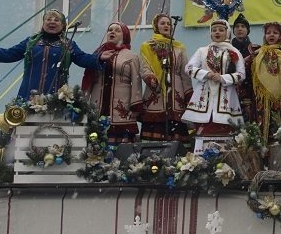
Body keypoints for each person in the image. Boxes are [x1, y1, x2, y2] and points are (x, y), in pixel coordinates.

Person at [0, 9, 112, 99]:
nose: (52, 22)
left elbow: (82, 58)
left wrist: (99, 58)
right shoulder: (31, 42)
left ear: (63, 26)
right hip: (28, 95)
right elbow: (9, 54)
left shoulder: (68, 44)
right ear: (43, 23)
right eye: (48, 19)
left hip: (56, 97)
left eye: (56, 20)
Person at [182, 19, 245, 142]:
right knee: (203, 128)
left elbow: (241, 74)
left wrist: (223, 78)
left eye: (221, 30)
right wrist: (206, 74)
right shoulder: (202, 51)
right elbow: (188, 68)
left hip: (226, 95)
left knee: (225, 129)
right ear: (210, 33)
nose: (217, 32)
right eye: (214, 30)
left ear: (227, 33)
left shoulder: (234, 51)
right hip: (204, 94)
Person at [82, 22, 142, 148]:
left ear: (124, 36)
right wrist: (83, 101)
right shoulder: (97, 55)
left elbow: (136, 82)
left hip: (121, 106)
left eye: (117, 30)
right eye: (110, 30)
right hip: (98, 105)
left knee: (121, 149)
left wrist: (135, 106)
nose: (112, 32)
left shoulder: (131, 56)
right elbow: (89, 80)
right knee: (95, 146)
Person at [139, 14, 193, 147]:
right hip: (156, 90)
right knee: (155, 126)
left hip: (176, 91)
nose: (166, 26)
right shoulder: (147, 46)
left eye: (168, 23)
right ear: (156, 26)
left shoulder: (179, 47)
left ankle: (177, 155)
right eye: (162, 23)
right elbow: (144, 67)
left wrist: (188, 95)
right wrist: (151, 79)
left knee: (177, 128)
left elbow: (185, 73)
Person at [252, 22, 281, 141]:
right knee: (262, 122)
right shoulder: (257, 54)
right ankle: (262, 145)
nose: (271, 35)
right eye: (268, 33)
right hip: (262, 97)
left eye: (275, 33)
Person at [231, 13, 260, 123]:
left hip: (250, 92)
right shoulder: (226, 49)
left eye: (243, 26)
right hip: (231, 90)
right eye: (237, 26)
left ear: (248, 30)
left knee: (250, 123)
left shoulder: (256, 50)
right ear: (233, 30)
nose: (240, 29)